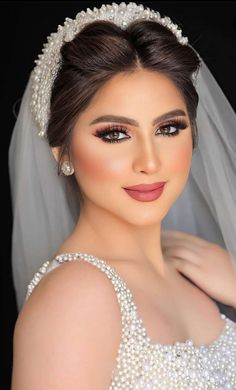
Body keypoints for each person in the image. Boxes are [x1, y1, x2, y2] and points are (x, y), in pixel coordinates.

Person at [9, 2, 236, 389]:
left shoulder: (199, 273)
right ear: (62, 151)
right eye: (115, 134)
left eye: (168, 129)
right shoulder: (74, 297)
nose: (149, 161)